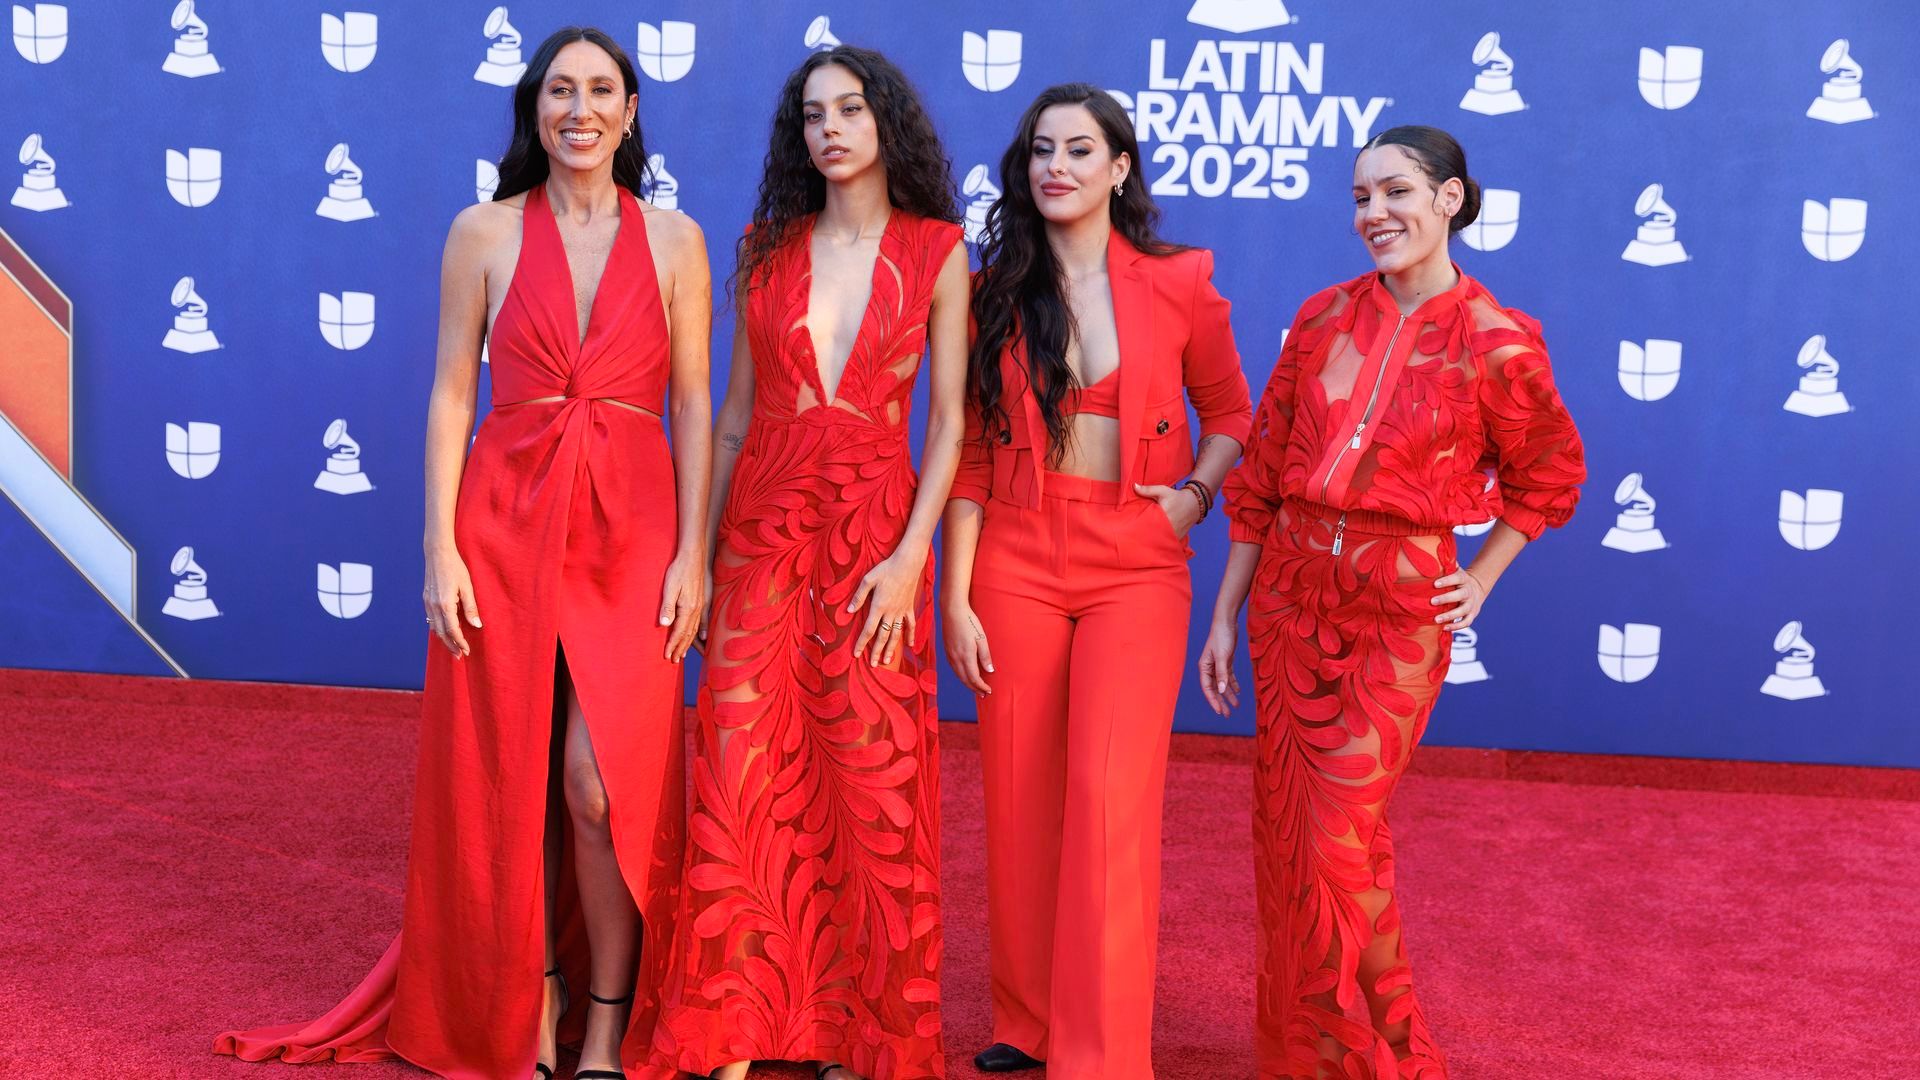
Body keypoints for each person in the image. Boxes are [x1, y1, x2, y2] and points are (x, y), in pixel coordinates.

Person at [213, 26, 711, 1080]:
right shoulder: (481, 231)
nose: (580, 109)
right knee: (507, 780)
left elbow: (695, 407)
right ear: (535, 108)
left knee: (597, 787)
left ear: (631, 111)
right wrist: (439, 547)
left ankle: (607, 1023)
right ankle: (531, 1004)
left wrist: (694, 555)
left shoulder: (676, 240)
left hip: (633, 531)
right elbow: (450, 393)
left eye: (601, 90)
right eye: (560, 90)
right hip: (505, 520)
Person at [1200, 125, 1585, 1078]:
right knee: (1299, 845)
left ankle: (1379, 1059)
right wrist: (1224, 614)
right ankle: (1330, 1057)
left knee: (1336, 840)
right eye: (1361, 196)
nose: (1374, 213)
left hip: (1397, 613)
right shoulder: (1323, 316)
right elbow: (1264, 472)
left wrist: (1482, 576)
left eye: (1397, 191)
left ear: (1450, 199)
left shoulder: (1498, 341)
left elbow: (1549, 476)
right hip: (1289, 600)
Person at [647, 45, 967, 1080]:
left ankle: (855, 1036)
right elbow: (733, 419)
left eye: (851, 110)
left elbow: (951, 423)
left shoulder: (938, 251)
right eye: (814, 115)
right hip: (763, 537)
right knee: (743, 771)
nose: (831, 129)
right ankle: (730, 1030)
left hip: (875, 541)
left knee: (868, 781)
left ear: (887, 123)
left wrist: (911, 556)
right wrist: (698, 557)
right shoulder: (764, 248)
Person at [942, 82, 1251, 1079]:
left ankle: (1103, 1050)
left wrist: (1192, 498)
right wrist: (955, 594)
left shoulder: (1181, 280)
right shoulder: (992, 292)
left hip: (1136, 561)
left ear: (1120, 168)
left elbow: (1231, 413)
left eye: (1079, 149)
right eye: (1042, 149)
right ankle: (1027, 1021)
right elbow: (971, 453)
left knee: (1110, 798)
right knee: (1019, 796)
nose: (1057, 166)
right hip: (1015, 557)